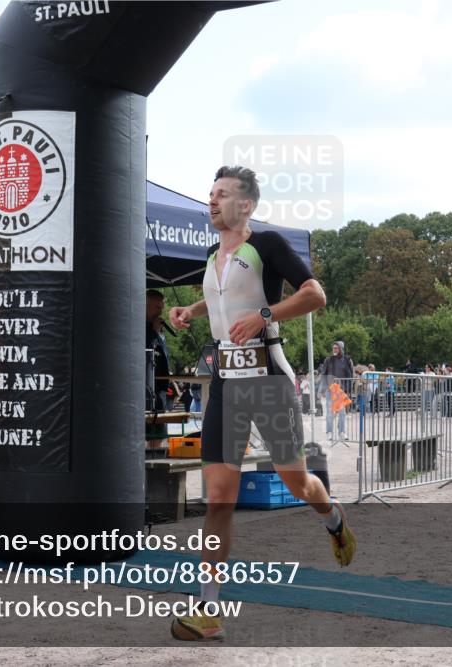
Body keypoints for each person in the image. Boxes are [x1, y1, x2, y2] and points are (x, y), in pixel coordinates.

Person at [167, 165, 355, 641]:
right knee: (218, 500)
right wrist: (190, 310)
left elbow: (316, 294)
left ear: (245, 204)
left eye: (222, 195)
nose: (211, 202)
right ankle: (209, 612)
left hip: (267, 379)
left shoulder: (267, 244)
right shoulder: (212, 255)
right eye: (209, 195)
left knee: (296, 481)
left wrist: (264, 315)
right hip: (226, 385)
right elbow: (224, 300)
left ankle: (332, 516)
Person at [145, 290, 171, 449]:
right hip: (146, 388)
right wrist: (154, 332)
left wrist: (158, 333)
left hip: (159, 388)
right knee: (148, 431)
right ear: (146, 306)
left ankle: (154, 459)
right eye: (156, 307)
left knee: (159, 432)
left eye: (161, 308)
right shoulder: (139, 327)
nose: (160, 312)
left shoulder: (156, 329)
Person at [318, 341, 354, 438]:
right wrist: (324, 389)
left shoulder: (347, 360)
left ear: (341, 349)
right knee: (330, 413)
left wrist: (348, 390)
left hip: (342, 390)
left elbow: (351, 375)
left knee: (342, 413)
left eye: (336, 348)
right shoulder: (328, 360)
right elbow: (323, 375)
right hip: (330, 390)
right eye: (333, 348)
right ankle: (329, 432)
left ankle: (342, 432)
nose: (334, 349)